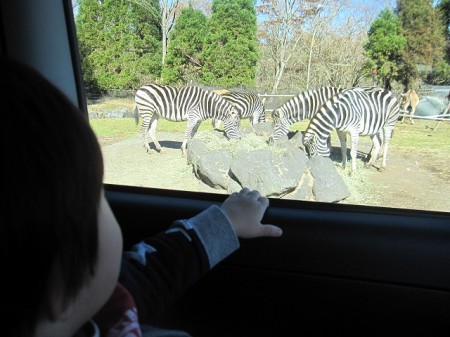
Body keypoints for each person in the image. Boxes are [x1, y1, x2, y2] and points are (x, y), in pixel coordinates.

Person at [0, 56, 283, 337]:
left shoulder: (106, 297)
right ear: (60, 289)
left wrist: (227, 221)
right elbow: (157, 269)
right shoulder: (112, 301)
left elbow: (161, 265)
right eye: (99, 196)